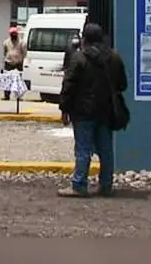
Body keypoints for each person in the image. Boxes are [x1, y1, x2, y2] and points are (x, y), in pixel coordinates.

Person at [57, 23, 127, 198]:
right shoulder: (114, 57)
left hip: (83, 111)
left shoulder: (79, 58)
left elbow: (68, 85)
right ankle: (106, 185)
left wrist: (64, 109)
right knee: (106, 150)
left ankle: (79, 185)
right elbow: (122, 85)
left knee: (83, 149)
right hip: (106, 111)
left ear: (85, 39)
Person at [1, 26, 27, 101]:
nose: (13, 35)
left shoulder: (22, 42)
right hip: (8, 63)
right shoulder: (6, 42)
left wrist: (20, 59)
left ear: (17, 34)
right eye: (12, 34)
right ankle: (6, 96)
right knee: (6, 80)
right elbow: (4, 52)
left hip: (18, 63)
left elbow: (24, 53)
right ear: (10, 34)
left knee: (19, 80)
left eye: (15, 34)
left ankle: (19, 96)